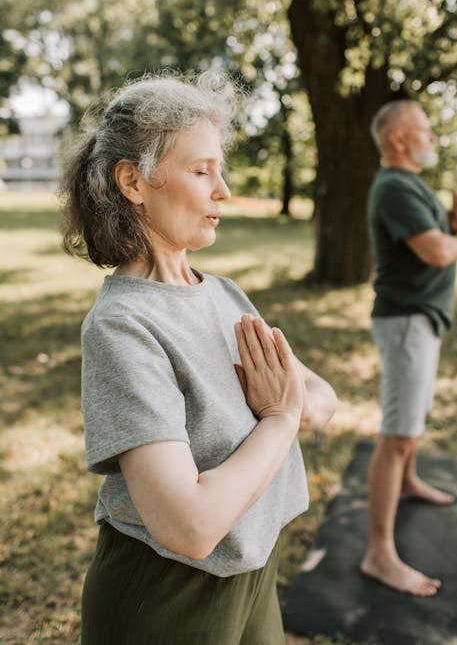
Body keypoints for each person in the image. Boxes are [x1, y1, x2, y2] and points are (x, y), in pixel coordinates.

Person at [59, 71, 338, 645]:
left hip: (255, 572)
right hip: (164, 598)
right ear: (134, 181)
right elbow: (189, 525)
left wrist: (291, 408)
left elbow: (323, 398)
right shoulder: (123, 327)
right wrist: (281, 418)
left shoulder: (224, 294)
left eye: (221, 169)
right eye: (201, 170)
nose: (224, 191)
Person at [361, 100, 457, 597]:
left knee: (411, 425)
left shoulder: (408, 185)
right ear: (398, 140)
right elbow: (436, 251)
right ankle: (379, 554)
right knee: (398, 436)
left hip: (419, 319)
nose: (432, 137)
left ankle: (408, 483)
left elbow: (433, 241)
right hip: (407, 322)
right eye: (424, 131)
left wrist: (452, 225)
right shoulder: (393, 186)